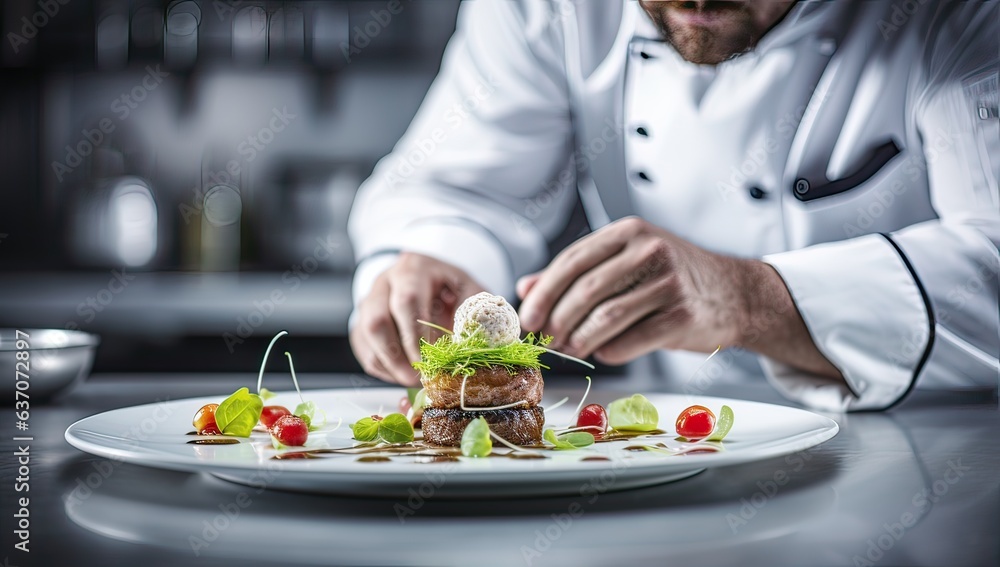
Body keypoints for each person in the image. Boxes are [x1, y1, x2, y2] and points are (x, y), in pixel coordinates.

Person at [347, 0, 999, 411]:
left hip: (929, 437)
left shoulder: (954, 13)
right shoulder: (543, 8)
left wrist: (753, 297)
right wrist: (431, 258)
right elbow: (463, 188)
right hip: (661, 440)